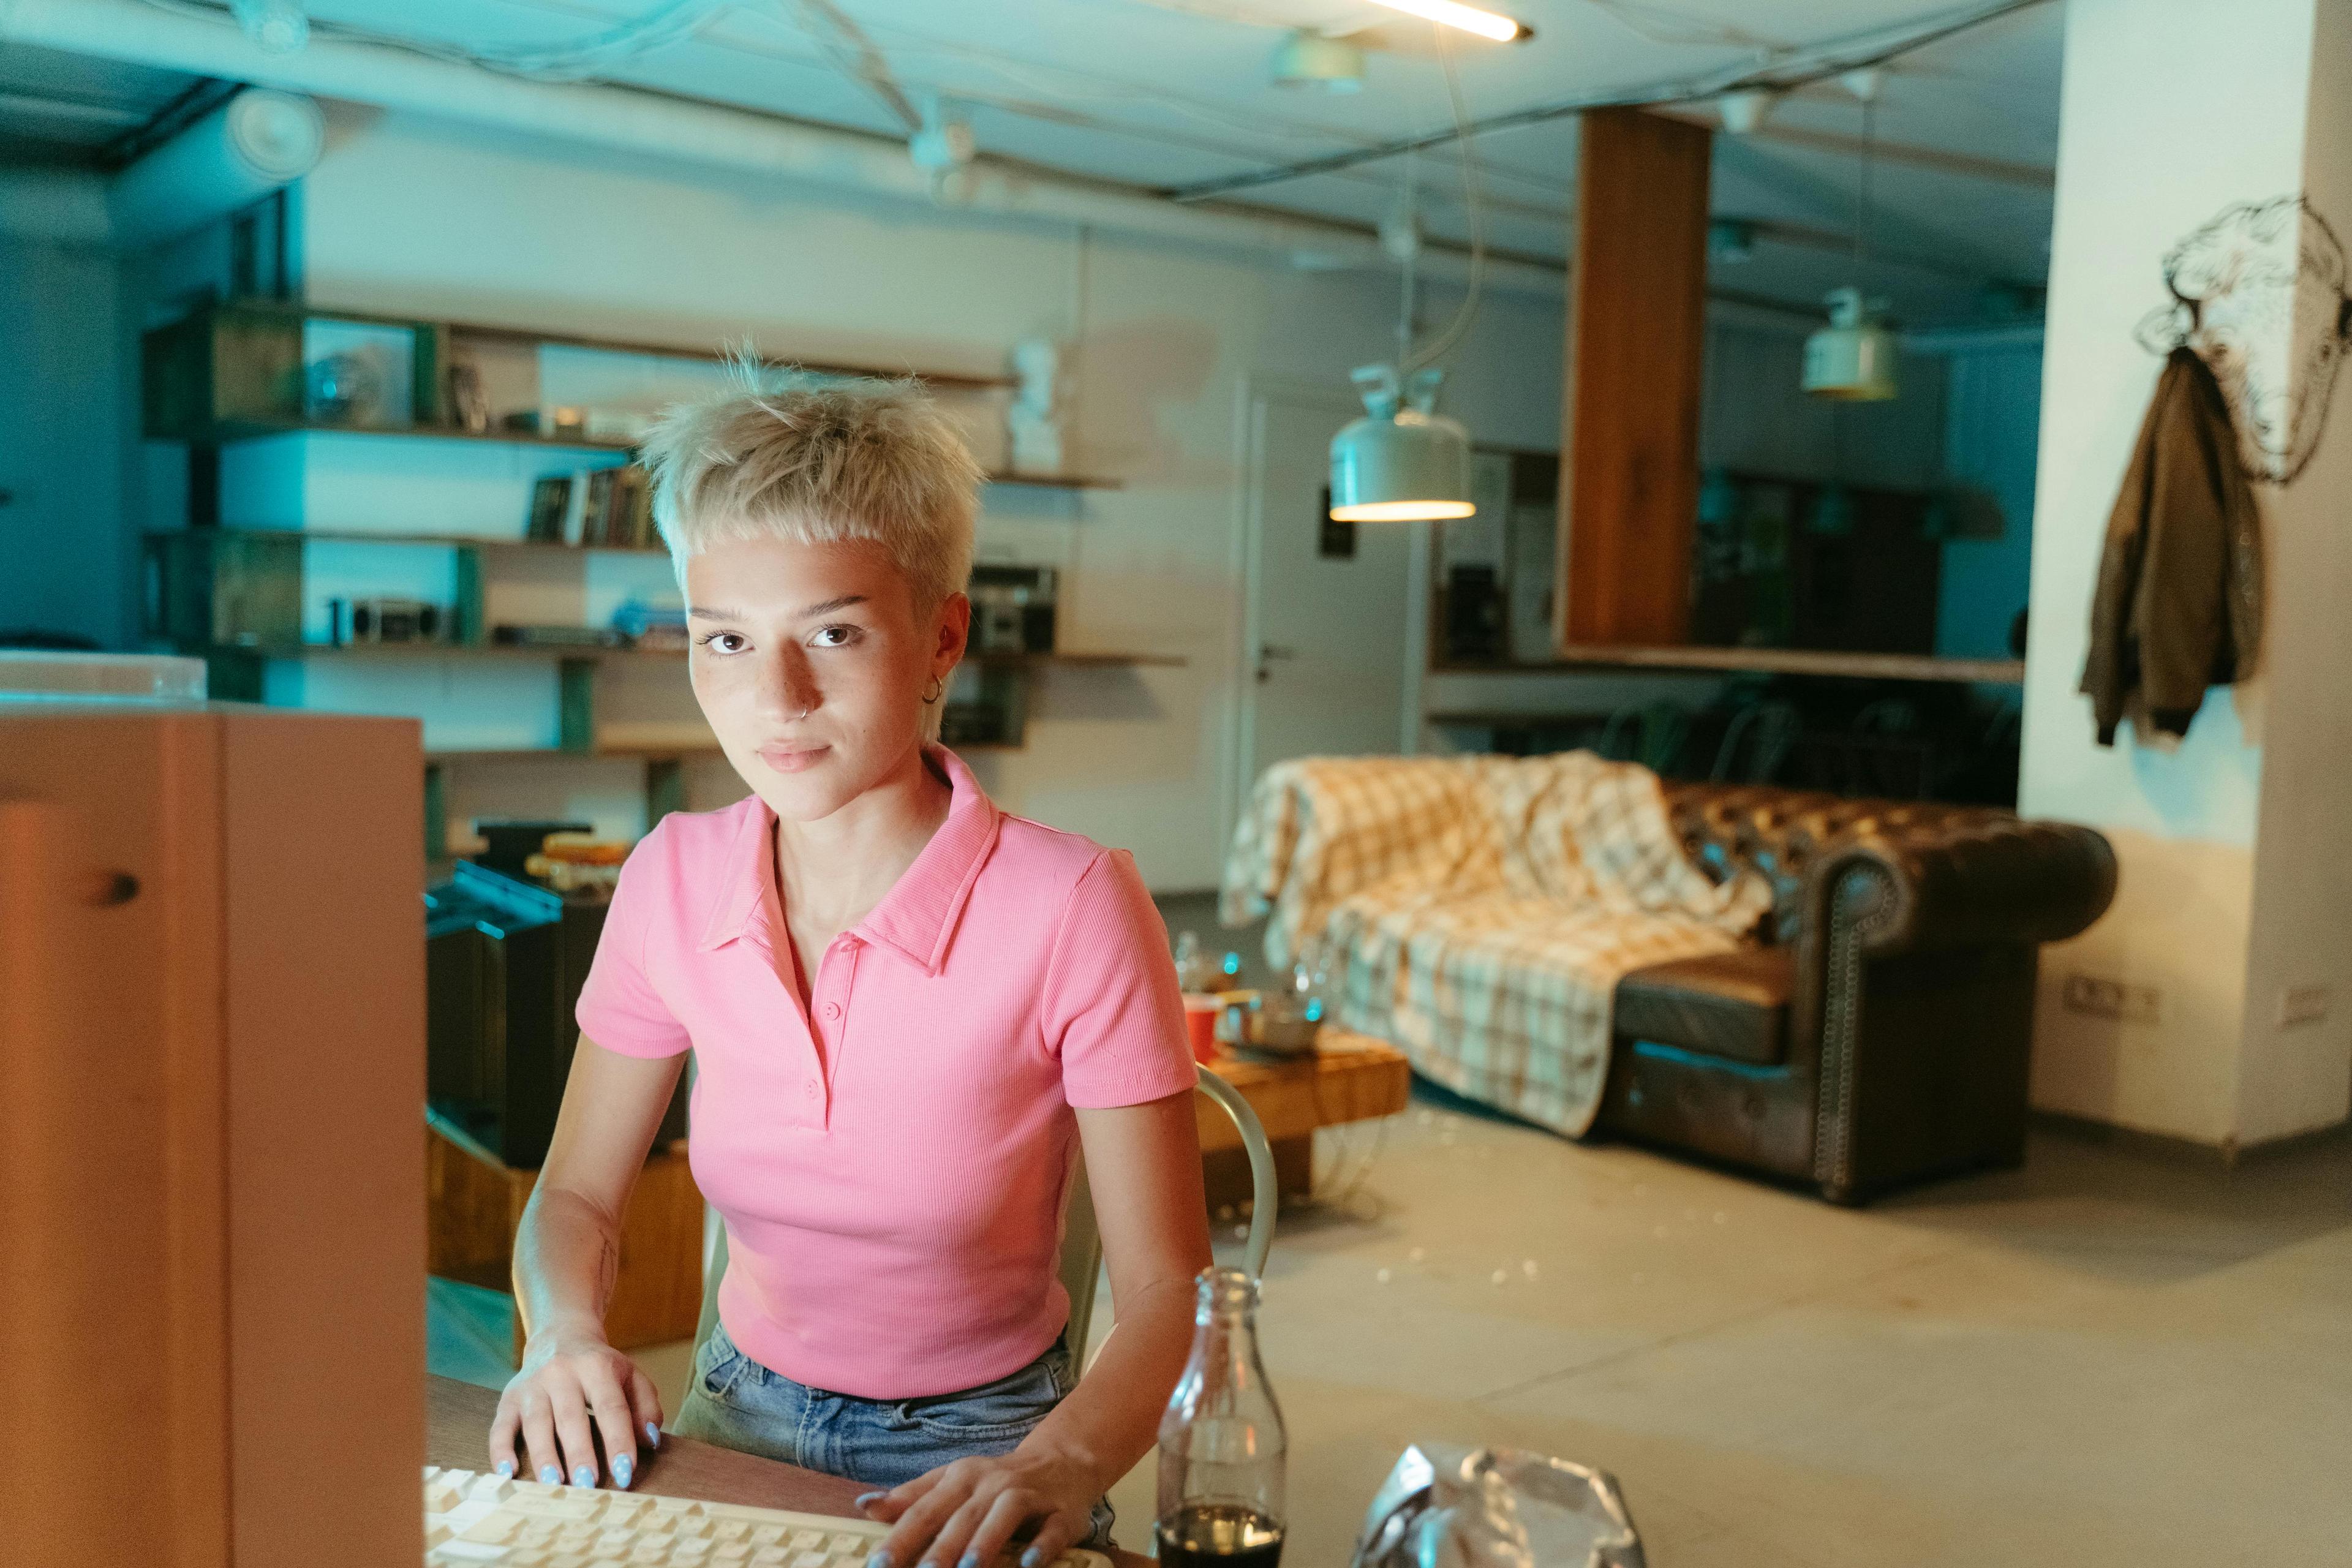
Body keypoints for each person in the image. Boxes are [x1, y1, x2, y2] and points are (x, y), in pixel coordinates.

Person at [489, 375, 1214, 1568]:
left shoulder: (1073, 902)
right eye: (725, 638)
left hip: (990, 1449)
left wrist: (1060, 1461)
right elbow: (573, 1198)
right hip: (729, 1417)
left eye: (833, 630)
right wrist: (562, 1334)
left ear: (942, 635)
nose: (774, 699)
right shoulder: (670, 876)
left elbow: (1167, 1288)